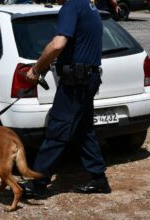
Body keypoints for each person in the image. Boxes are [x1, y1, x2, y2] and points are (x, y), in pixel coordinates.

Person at [22, 0, 111, 197]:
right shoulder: (89, 6)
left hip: (77, 82)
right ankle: (98, 179)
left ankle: (38, 183)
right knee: (83, 129)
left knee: (58, 127)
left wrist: (36, 69)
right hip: (88, 78)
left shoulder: (72, 6)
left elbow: (58, 44)